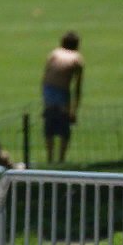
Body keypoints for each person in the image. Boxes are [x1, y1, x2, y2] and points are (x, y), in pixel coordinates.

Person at [41, 31, 84, 163]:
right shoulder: (77, 58)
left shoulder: (54, 53)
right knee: (64, 126)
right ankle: (61, 159)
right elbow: (77, 86)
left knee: (50, 123)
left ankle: (49, 158)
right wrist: (74, 110)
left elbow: (46, 76)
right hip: (61, 91)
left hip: (48, 89)